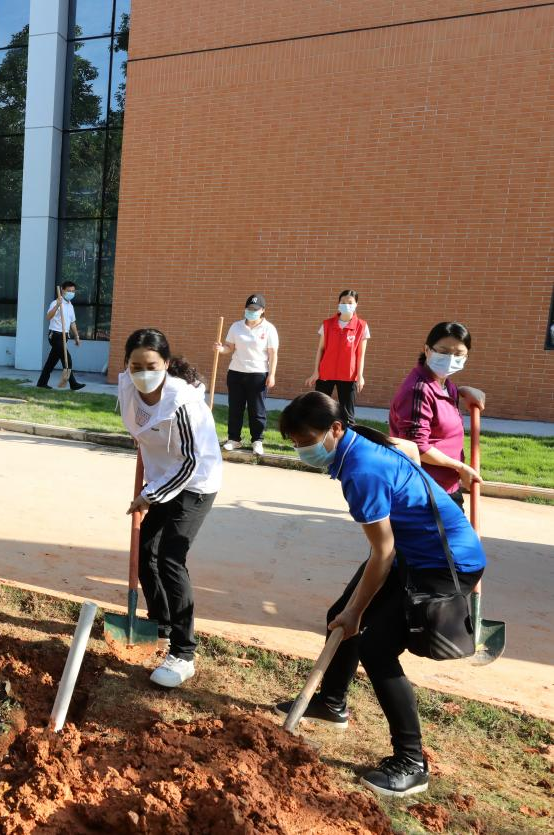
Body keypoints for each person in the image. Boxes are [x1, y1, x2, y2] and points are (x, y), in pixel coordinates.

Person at [273, 391, 486, 799]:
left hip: (444, 563)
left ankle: (411, 762)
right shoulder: (361, 443)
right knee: (342, 612)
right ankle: (331, 702)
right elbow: (407, 447)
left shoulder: (361, 471)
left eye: (307, 441)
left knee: (374, 645)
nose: (302, 450)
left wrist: (358, 611)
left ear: (336, 429)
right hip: (418, 550)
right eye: (296, 443)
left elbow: (383, 553)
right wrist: (350, 609)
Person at [118, 328, 223, 688]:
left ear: (165, 364)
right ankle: (160, 624)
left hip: (195, 483)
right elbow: (138, 426)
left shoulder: (182, 402)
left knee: (171, 559)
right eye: (135, 365)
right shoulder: (128, 387)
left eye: (151, 365)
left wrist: (150, 495)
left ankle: (183, 652)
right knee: (147, 549)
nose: (143, 372)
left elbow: (192, 462)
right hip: (161, 478)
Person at [388, 322, 487, 511]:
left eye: (458, 354)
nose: (450, 359)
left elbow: (436, 407)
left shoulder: (443, 384)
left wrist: (462, 391)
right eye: (443, 351)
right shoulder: (418, 390)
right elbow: (417, 446)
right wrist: (460, 467)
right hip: (424, 492)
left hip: (443, 486)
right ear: (427, 350)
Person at [215, 293, 279, 455]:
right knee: (235, 408)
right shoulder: (236, 326)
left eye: (255, 309)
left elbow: (273, 354)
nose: (252, 311)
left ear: (263, 310)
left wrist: (272, 375)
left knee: (257, 410)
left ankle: (257, 440)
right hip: (236, 373)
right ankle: (234, 439)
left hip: (258, 375)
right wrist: (220, 349)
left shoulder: (269, 328)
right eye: (249, 308)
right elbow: (229, 347)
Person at [305, 289, 370, 424]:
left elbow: (361, 355)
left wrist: (360, 376)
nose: (346, 305)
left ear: (356, 304)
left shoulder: (362, 326)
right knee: (319, 410)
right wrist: (316, 372)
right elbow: (320, 349)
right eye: (343, 302)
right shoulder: (327, 324)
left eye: (350, 302)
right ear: (338, 303)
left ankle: (346, 443)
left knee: (348, 416)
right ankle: (317, 441)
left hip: (348, 375)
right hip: (325, 373)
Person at [36, 281, 86, 391]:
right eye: (69, 291)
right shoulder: (56, 303)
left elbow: (72, 322)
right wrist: (57, 306)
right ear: (63, 290)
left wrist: (77, 336)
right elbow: (48, 317)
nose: (71, 293)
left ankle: (41, 382)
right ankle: (73, 383)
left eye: (73, 291)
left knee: (51, 361)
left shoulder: (70, 305)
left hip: (65, 336)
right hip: (55, 335)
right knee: (67, 358)